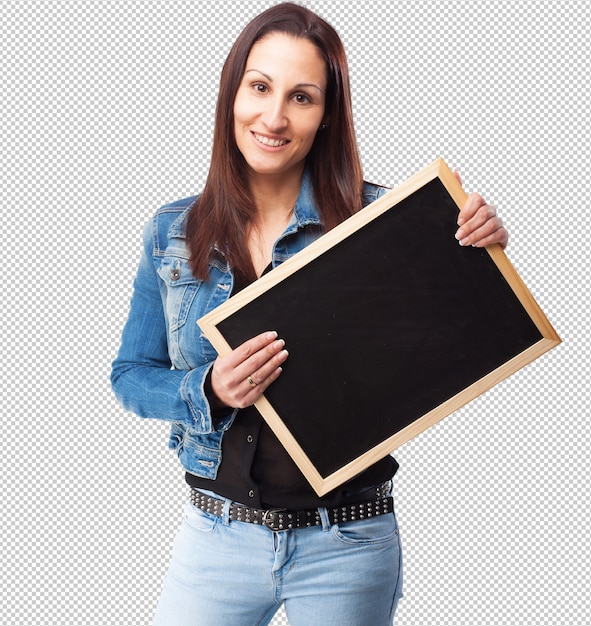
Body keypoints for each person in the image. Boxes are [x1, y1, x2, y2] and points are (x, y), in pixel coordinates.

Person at [111, 3, 509, 625]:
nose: (274, 117)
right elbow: (130, 376)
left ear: (326, 115)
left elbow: (461, 332)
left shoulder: (381, 220)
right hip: (215, 538)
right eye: (260, 87)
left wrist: (478, 250)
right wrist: (208, 389)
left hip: (346, 543)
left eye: (302, 97)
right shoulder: (172, 231)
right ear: (232, 93)